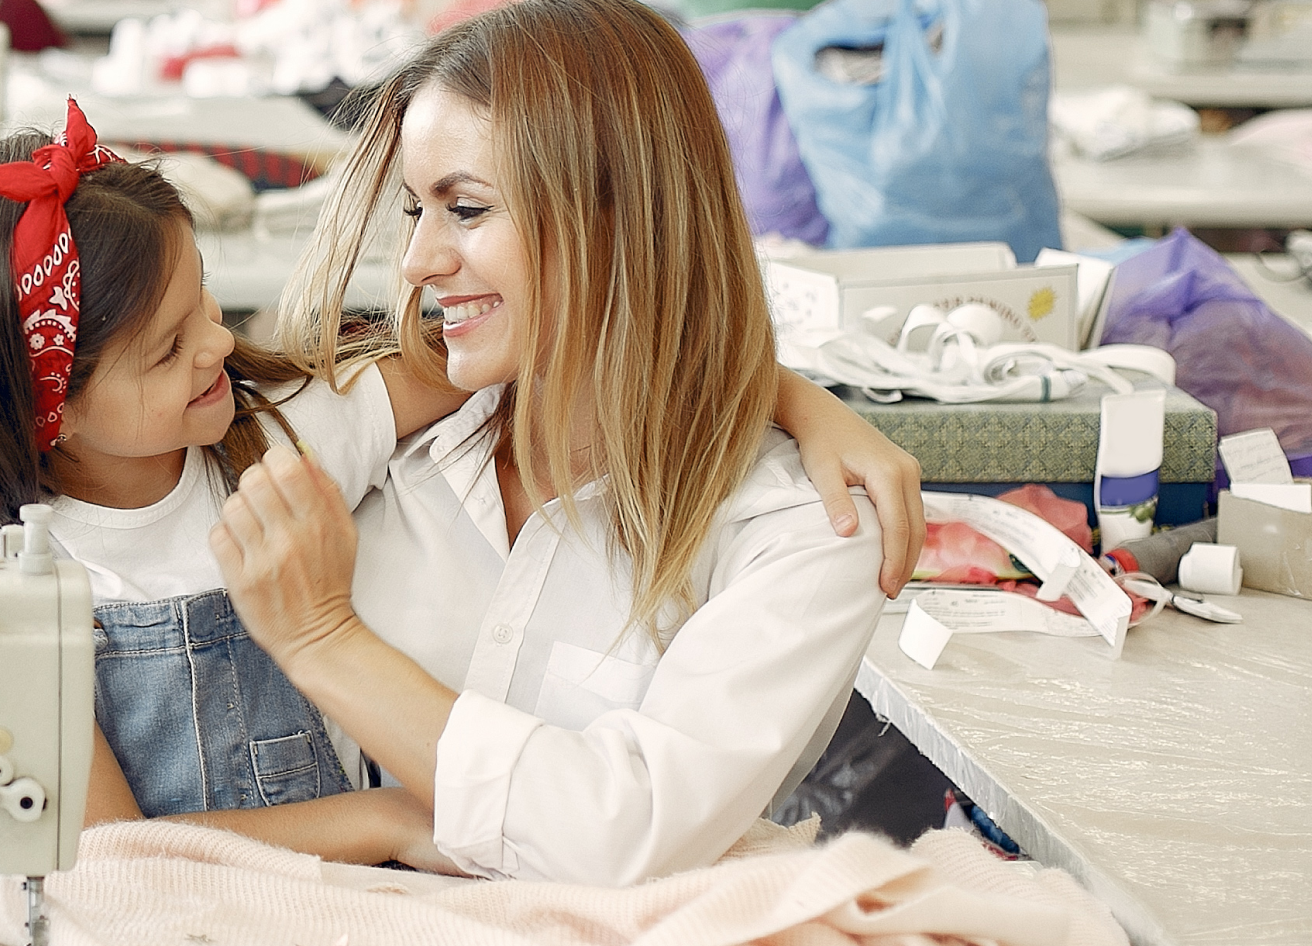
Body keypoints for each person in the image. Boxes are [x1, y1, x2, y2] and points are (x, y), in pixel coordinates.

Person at [0, 96, 921, 866]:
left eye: (207, 305)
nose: (218, 344)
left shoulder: (279, 438)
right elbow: (109, 862)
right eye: (167, 349)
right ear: (47, 411)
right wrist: (381, 822)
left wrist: (790, 396)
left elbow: (571, 331)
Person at [207, 0, 900, 884]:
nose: (418, 262)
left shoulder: (806, 532)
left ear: (619, 219)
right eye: (416, 210)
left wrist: (325, 641)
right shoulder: (376, 444)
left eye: (465, 209)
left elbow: (627, 833)